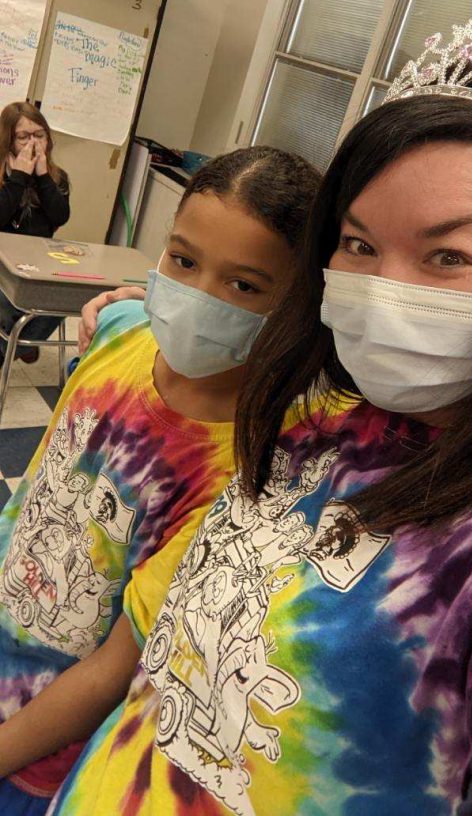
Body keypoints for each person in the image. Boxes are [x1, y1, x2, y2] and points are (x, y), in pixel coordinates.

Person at [22, 1, 472, 816]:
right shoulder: (316, 428)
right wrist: (140, 307)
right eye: (358, 245)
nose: (384, 291)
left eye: (448, 255)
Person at [0, 145, 321, 814]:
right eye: (182, 260)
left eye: (244, 286)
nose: (198, 298)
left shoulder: (245, 472)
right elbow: (37, 495)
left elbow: (114, 669)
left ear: (294, 303)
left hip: (39, 743)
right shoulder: (120, 328)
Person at [0, 102, 70, 364]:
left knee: (63, 300)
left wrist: (42, 177)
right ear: (8, 141)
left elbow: (59, 216)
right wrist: (18, 176)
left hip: (36, 262)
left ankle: (15, 345)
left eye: (39, 135)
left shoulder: (56, 177)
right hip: (1, 262)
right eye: (23, 137)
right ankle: (18, 343)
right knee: (6, 303)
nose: (33, 144)